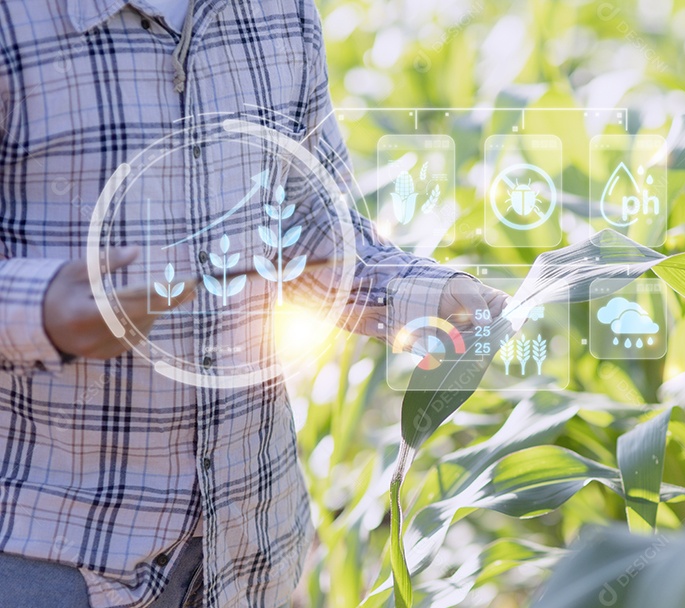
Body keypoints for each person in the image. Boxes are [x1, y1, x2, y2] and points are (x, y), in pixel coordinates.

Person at [0, 0, 505, 606]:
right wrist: (40, 310)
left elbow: (316, 231)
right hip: (50, 565)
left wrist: (431, 296)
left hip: (251, 552)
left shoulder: (280, 11)